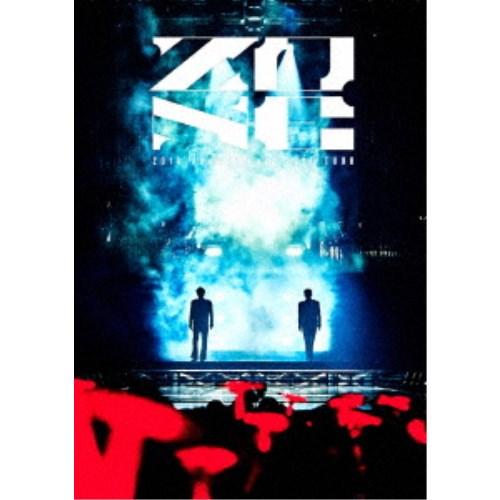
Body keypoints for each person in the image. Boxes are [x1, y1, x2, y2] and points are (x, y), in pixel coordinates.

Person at [189, 287, 214, 362]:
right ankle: (197, 356)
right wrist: (190, 322)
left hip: (202, 323)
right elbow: (191, 312)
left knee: (201, 340)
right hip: (199, 323)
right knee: (197, 340)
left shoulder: (207, 302)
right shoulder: (194, 302)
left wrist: (211, 322)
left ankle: (200, 356)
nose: (199, 294)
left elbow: (211, 313)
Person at [298, 288, 321, 361]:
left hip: (311, 323)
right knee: (307, 339)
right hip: (308, 324)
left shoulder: (315, 303)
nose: (307, 295)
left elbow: (318, 314)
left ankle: (309, 355)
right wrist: (299, 324)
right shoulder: (302, 304)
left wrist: (319, 323)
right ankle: (309, 355)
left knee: (311, 339)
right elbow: (300, 315)